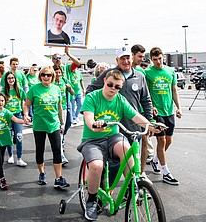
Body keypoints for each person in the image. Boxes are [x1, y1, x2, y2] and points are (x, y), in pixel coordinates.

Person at [78, 70, 158, 221]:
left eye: (117, 87)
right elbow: (88, 118)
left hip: (112, 138)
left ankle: (133, 186)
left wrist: (151, 126)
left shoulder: (120, 100)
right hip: (92, 140)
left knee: (126, 148)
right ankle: (92, 201)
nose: (113, 89)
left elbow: (135, 116)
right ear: (104, 82)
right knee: (96, 166)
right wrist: (94, 124)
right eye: (110, 85)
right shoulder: (92, 97)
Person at [86, 46, 154, 181]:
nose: (125, 61)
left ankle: (130, 193)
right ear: (117, 60)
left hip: (133, 127)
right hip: (113, 127)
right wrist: (94, 111)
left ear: (132, 58)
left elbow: (146, 100)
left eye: (127, 58)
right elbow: (91, 89)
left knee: (132, 163)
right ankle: (107, 192)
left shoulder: (140, 76)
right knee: (114, 165)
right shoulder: (110, 74)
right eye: (122, 58)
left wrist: (149, 121)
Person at [25, 66, 70, 189]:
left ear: (52, 77)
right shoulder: (34, 89)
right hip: (39, 124)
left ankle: (58, 178)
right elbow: (26, 104)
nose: (46, 77)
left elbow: (59, 107)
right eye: (44, 74)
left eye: (49, 75)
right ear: (40, 76)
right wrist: (25, 114)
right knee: (40, 150)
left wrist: (61, 122)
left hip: (54, 124)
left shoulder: (56, 89)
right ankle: (42, 173)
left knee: (57, 150)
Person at [145, 47, 182, 185]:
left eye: (160, 59)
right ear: (151, 60)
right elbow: (146, 92)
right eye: (155, 60)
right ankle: (166, 172)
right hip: (157, 112)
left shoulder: (170, 71)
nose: (158, 62)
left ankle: (155, 160)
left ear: (163, 57)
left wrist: (178, 107)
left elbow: (174, 90)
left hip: (169, 111)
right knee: (161, 141)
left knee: (169, 141)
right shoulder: (148, 72)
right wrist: (151, 107)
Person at [0, 92, 28, 190]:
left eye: (2, 101)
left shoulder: (7, 112)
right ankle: (2, 179)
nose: (0, 103)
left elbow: (15, 119)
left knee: (2, 158)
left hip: (4, 138)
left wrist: (24, 121)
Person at [2, 71, 28, 167]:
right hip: (7, 116)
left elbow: (25, 103)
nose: (11, 80)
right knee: (8, 136)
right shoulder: (3, 91)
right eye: (9, 78)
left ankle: (19, 158)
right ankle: (10, 155)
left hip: (18, 115)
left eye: (12, 78)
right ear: (6, 80)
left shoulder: (20, 90)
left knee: (19, 136)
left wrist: (25, 114)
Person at [53, 65, 74, 165]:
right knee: (59, 131)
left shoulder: (65, 80)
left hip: (65, 107)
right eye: (56, 73)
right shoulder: (51, 82)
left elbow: (73, 92)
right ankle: (60, 154)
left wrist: (69, 88)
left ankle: (61, 141)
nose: (58, 75)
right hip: (54, 109)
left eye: (59, 73)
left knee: (68, 124)